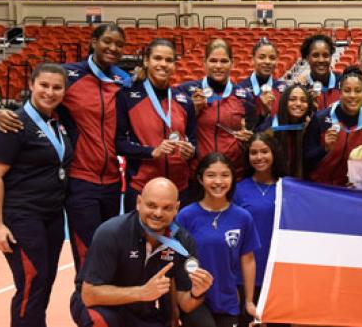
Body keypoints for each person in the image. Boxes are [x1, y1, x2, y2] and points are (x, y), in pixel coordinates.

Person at [0, 23, 130, 279]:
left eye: (119, 45)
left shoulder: (122, 80)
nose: (113, 48)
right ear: (93, 42)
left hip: (113, 182)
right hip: (81, 181)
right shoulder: (70, 76)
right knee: (87, 255)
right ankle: (86, 312)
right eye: (107, 41)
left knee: (110, 252)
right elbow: (39, 102)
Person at [0, 63, 73, 327]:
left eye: (57, 87)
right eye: (44, 85)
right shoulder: (14, 123)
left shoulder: (58, 122)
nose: (50, 92)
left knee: (45, 281)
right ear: (32, 85)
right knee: (32, 282)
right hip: (21, 216)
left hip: (51, 216)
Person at [70, 178, 213, 327]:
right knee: (100, 320)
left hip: (141, 309)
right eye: (152, 205)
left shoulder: (183, 242)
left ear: (176, 208)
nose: (158, 213)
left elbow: (186, 304)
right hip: (102, 306)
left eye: (167, 207)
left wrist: (197, 292)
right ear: (139, 202)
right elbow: (89, 295)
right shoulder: (111, 233)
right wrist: (142, 292)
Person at [176, 153, 261, 327]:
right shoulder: (186, 216)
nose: (218, 181)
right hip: (194, 299)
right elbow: (174, 261)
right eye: (211, 175)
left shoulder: (243, 217)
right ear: (200, 179)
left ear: (232, 179)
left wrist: (249, 301)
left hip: (227, 300)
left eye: (225, 175)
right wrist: (174, 308)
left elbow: (248, 260)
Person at [116, 39, 198, 210]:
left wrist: (191, 151)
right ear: (146, 61)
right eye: (158, 58)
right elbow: (119, 143)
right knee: (142, 237)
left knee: (178, 237)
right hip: (142, 187)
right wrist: (151, 151)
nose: (163, 64)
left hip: (179, 188)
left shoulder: (184, 101)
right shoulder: (127, 97)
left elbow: (194, 140)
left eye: (169, 60)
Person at [179, 39, 257, 178]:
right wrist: (193, 111)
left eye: (224, 61)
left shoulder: (245, 96)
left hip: (233, 175)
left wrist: (248, 140)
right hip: (198, 174)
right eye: (213, 61)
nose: (218, 66)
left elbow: (253, 134)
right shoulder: (185, 92)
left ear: (232, 63)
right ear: (204, 63)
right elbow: (175, 130)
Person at [234, 131, 284, 327]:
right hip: (247, 271)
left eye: (264, 151)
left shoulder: (287, 187)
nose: (259, 157)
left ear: (274, 153)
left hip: (278, 271)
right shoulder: (238, 189)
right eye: (254, 153)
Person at [303, 67, 362, 186]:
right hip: (319, 188)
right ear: (340, 93)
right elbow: (305, 160)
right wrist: (325, 149)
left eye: (358, 91)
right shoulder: (320, 119)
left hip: (350, 192)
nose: (352, 95)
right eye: (347, 90)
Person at [257, 83, 315, 180]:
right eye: (292, 99)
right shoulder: (269, 128)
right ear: (284, 102)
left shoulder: (309, 126)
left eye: (304, 100)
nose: (298, 104)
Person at [240, 38, 286, 121]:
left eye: (272, 58)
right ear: (252, 60)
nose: (267, 61)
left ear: (277, 61)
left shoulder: (284, 89)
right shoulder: (241, 89)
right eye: (261, 57)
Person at [298, 34, 340, 110]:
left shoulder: (343, 83)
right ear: (307, 58)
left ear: (331, 57)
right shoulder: (300, 88)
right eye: (315, 55)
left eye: (326, 55)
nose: (321, 60)